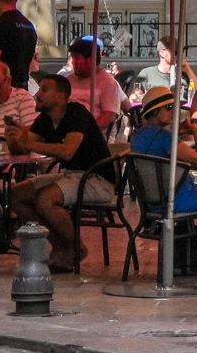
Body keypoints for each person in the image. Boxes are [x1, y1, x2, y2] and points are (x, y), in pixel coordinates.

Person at [7, 74, 116, 272]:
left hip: (97, 179)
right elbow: (23, 149)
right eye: (39, 89)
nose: (38, 94)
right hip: (72, 175)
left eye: (44, 90)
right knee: (14, 194)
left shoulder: (76, 113)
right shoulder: (45, 119)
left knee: (45, 199)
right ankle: (62, 245)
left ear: (60, 96)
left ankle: (75, 247)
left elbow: (68, 150)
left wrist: (27, 142)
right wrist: (13, 139)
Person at [126, 85, 197, 215]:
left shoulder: (138, 136)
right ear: (155, 111)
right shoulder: (164, 137)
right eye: (169, 107)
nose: (174, 111)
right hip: (178, 199)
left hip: (154, 203)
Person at [58, 36, 128, 129]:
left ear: (91, 59)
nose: (73, 62)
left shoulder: (108, 83)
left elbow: (109, 115)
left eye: (77, 57)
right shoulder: (68, 80)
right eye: (72, 57)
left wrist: (86, 132)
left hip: (91, 137)